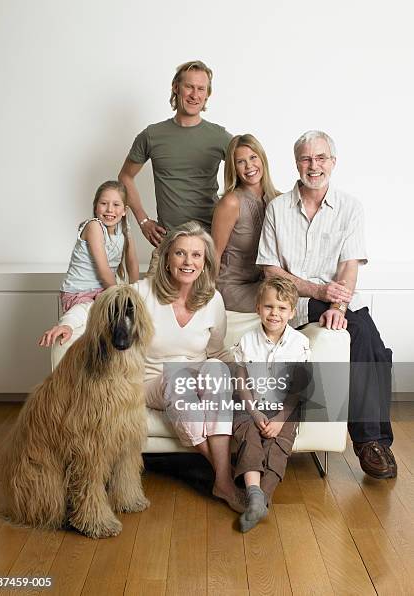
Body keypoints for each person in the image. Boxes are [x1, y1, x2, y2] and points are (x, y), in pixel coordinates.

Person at [40, 222, 244, 512]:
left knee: (217, 370)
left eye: (196, 255)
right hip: (151, 382)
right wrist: (67, 324)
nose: (189, 262)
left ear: (205, 261)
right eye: (180, 254)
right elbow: (96, 306)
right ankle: (224, 477)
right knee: (179, 379)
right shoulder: (142, 293)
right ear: (167, 258)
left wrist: (245, 374)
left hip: (195, 379)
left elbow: (217, 351)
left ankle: (221, 481)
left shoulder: (213, 299)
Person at [257, 130, 396, 479]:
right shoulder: (277, 208)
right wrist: (318, 293)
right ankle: (373, 439)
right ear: (296, 163)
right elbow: (270, 268)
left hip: (340, 299)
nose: (313, 165)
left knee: (367, 338)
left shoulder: (350, 207)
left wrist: (340, 306)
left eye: (320, 158)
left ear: (333, 162)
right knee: (372, 346)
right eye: (306, 158)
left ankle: (370, 443)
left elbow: (350, 265)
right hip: (296, 302)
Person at [118, 60, 232, 246]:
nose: (195, 95)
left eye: (201, 89)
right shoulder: (152, 135)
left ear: (207, 95)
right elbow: (125, 177)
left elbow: (251, 167)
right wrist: (143, 221)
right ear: (176, 87)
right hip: (168, 241)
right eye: (189, 87)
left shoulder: (219, 136)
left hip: (209, 242)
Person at [232, 277, 310, 532]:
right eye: (268, 306)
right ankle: (254, 493)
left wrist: (279, 420)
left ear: (292, 312)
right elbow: (241, 384)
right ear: (258, 308)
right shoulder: (247, 342)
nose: (274, 313)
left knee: (279, 445)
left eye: (282, 308)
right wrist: (254, 414)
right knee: (249, 437)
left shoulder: (299, 344)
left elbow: (298, 389)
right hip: (251, 406)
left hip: (284, 409)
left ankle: (262, 498)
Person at [211, 134, 279, 312]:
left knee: (293, 297)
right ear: (234, 168)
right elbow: (214, 255)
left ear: (262, 159)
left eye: (253, 157)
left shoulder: (279, 199)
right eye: (241, 161)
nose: (249, 166)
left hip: (265, 283)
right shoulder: (230, 202)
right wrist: (207, 299)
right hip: (233, 286)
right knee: (282, 303)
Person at [58, 180, 139, 314]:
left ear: (124, 210)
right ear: (96, 207)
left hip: (102, 291)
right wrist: (121, 298)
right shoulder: (94, 227)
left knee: (126, 315)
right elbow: (104, 271)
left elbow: (132, 263)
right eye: (104, 203)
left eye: (116, 204)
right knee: (102, 316)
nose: (110, 209)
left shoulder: (124, 229)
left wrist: (136, 293)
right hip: (79, 292)